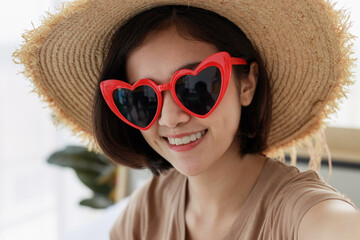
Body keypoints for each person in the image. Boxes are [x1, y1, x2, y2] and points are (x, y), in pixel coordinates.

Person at [14, 0, 359, 239]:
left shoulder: (303, 215)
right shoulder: (145, 212)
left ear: (247, 84)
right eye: (143, 98)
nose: (170, 117)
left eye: (195, 86)